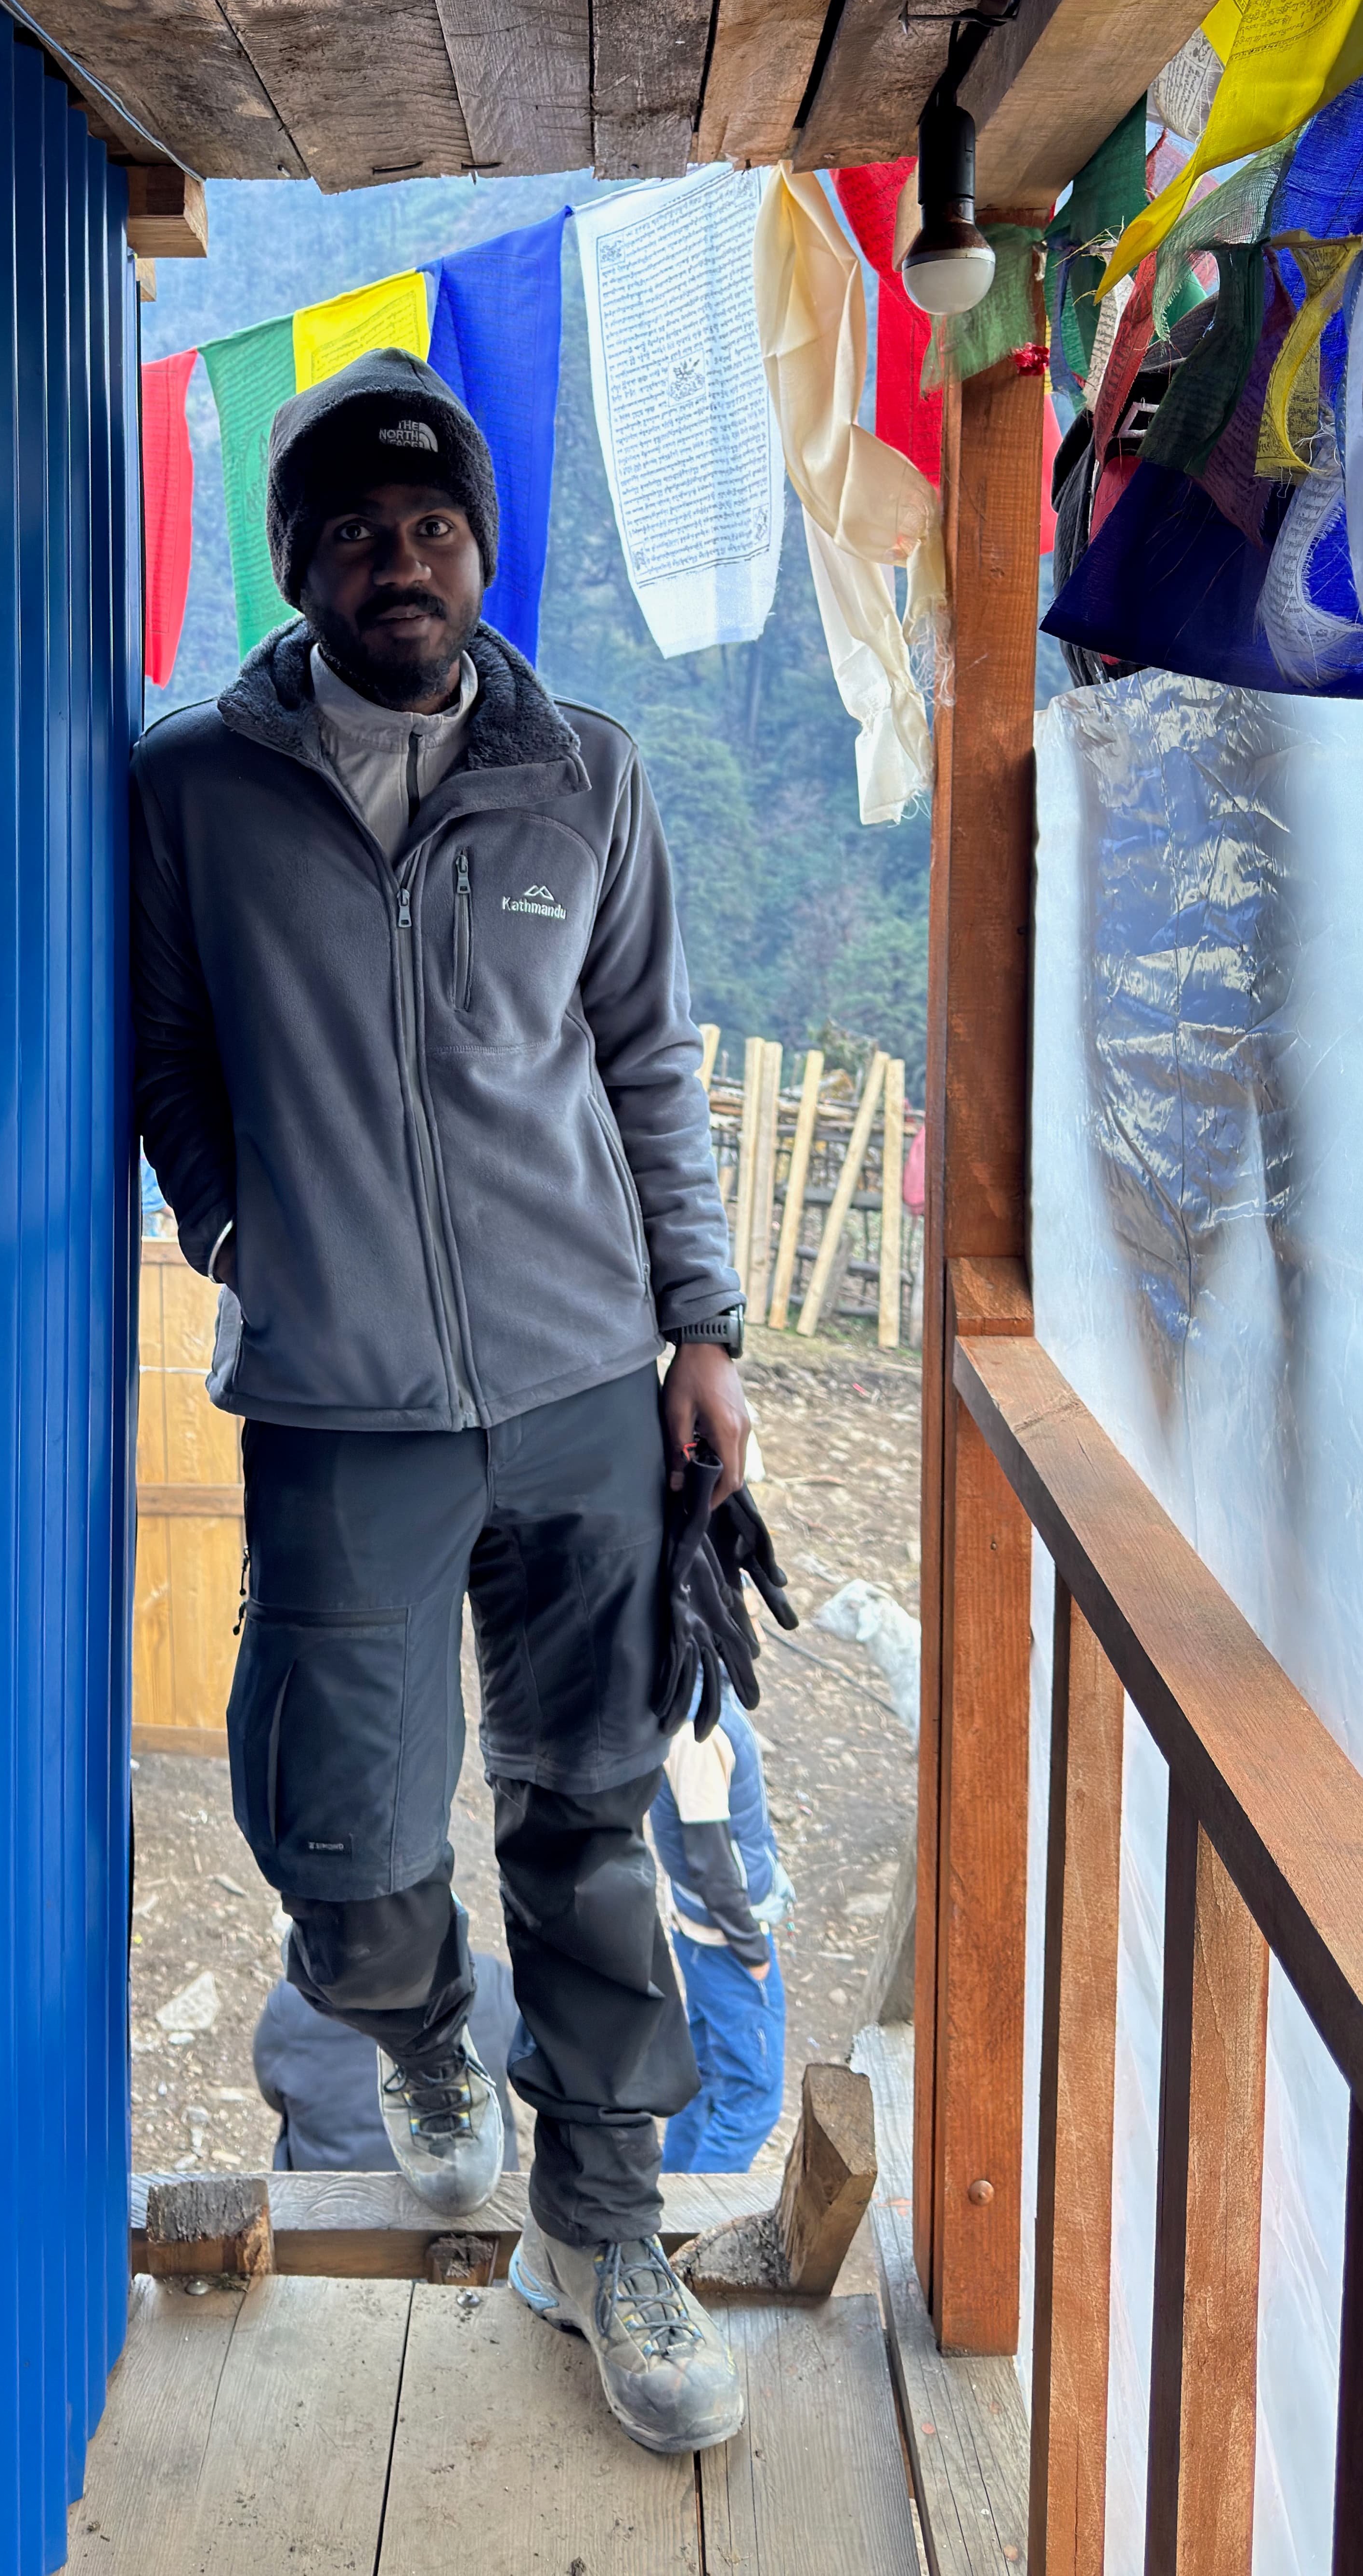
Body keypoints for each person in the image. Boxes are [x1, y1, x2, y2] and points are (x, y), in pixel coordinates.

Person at [130, 348, 752, 2455]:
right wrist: (240, 1240)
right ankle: (420, 2038)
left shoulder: (584, 775)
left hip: (587, 1387)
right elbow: (165, 1060)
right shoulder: (193, 792)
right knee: (341, 1850)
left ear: (479, 552)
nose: (403, 559)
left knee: (586, 1821)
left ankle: (604, 2229)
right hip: (340, 1407)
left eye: (435, 526)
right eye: (359, 528)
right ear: (297, 558)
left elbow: (651, 1063)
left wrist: (706, 1338)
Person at [651, 1688, 793, 2172]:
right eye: (742, 1610)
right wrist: (751, 1948)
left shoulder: (699, 1695)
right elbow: (711, 1860)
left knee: (709, 2076)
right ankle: (695, 2231)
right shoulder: (699, 1730)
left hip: (707, 1933)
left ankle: (674, 2210)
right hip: (723, 1942)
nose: (753, 1623)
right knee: (753, 2098)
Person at [255, 1940, 522, 2175]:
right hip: (477, 2209)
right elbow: (523, 2065)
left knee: (296, 2120)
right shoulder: (490, 1979)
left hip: (329, 2216)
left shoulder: (292, 2001)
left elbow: (273, 2093)